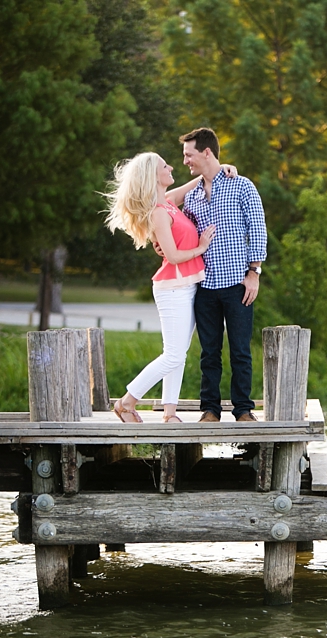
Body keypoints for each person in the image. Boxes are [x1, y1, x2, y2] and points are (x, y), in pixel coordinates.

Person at [104, 151, 237, 423]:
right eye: (165, 166)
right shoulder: (158, 213)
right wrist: (201, 247)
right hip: (173, 289)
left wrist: (219, 167)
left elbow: (196, 182)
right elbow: (174, 256)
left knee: (177, 355)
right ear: (153, 176)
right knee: (173, 355)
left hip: (187, 286)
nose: (171, 167)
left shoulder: (168, 202)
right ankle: (126, 402)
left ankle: (169, 413)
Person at [178, 127, 267, 423]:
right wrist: (161, 243)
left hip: (237, 283)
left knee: (240, 351)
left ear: (206, 152)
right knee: (209, 353)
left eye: (189, 155)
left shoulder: (241, 186)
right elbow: (182, 233)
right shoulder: (191, 197)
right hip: (204, 286)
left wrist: (254, 273)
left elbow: (257, 230)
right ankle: (210, 410)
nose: (185, 161)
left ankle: (243, 410)